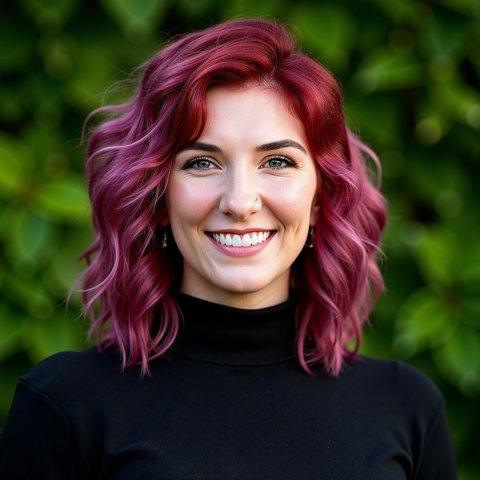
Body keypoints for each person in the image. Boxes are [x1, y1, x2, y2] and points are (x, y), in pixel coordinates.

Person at [0, 19, 456, 479]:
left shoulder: (407, 406)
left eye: (277, 161)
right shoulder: (65, 405)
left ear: (320, 198)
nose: (240, 202)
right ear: (157, 196)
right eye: (201, 162)